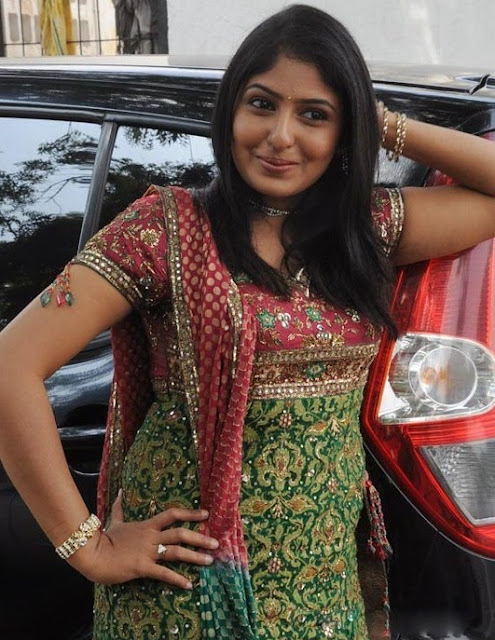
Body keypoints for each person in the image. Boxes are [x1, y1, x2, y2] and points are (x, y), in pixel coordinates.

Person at [1, 4, 495, 640]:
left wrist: (382, 124)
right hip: (185, 597)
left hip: (323, 593)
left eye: (314, 115)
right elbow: (12, 364)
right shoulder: (164, 230)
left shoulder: (365, 231)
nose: (280, 136)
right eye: (261, 104)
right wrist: (88, 547)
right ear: (230, 110)